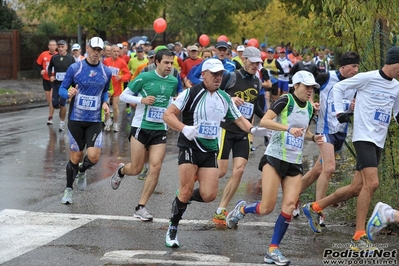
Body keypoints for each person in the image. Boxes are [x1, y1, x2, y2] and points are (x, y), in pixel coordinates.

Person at [302, 46, 399, 252]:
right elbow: (338, 88)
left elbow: (397, 113)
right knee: (372, 183)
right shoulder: (367, 78)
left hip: (378, 140)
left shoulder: (397, 87)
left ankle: (315, 207)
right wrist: (339, 112)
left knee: (356, 188)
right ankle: (358, 236)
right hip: (364, 137)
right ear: (393, 62)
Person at [162, 58, 263, 248]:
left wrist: (253, 130)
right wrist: (184, 128)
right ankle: (173, 228)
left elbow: (239, 119)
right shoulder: (190, 93)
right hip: (190, 146)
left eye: (220, 75)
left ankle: (181, 200)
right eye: (214, 74)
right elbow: (168, 115)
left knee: (208, 195)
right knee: (185, 188)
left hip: (210, 150)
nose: (218, 78)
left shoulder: (224, 97)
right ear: (204, 75)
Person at [226, 71, 323, 265]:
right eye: (307, 87)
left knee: (289, 204)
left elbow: (303, 131)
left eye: (312, 87)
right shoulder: (285, 100)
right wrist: (287, 128)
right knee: (267, 207)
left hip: (294, 162)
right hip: (275, 157)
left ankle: (273, 249)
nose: (310, 90)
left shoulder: (310, 109)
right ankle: (242, 210)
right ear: (296, 86)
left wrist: (313, 137)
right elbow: (265, 121)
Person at [109, 48, 178, 221]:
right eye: (166, 62)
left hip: (160, 129)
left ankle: (141, 207)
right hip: (141, 126)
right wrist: (142, 100)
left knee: (156, 166)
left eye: (171, 63)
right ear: (157, 62)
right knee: (136, 168)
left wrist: (173, 107)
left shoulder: (173, 81)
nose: (169, 66)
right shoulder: (144, 77)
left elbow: (170, 99)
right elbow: (124, 96)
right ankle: (122, 170)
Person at [292, 51, 360, 226]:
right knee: (329, 168)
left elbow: (351, 105)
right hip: (325, 129)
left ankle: (292, 196)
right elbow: (307, 87)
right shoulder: (326, 77)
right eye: (353, 66)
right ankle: (318, 209)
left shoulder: (356, 83)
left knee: (317, 171)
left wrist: (353, 107)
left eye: (357, 67)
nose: (355, 70)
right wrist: (311, 103)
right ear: (343, 66)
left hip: (340, 130)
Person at [213, 47, 265, 225]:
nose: (256, 66)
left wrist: (270, 119)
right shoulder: (231, 76)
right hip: (226, 129)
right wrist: (229, 98)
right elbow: (214, 92)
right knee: (220, 171)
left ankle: (221, 209)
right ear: (244, 59)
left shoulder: (258, 82)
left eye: (258, 63)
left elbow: (257, 108)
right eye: (253, 62)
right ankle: (196, 177)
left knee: (240, 170)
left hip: (243, 132)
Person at [58, 37, 112, 204]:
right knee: (76, 156)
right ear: (87, 48)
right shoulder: (75, 68)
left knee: (94, 156)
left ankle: (82, 171)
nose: (96, 53)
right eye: (93, 49)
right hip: (76, 118)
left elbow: (105, 91)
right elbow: (61, 88)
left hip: (95, 119)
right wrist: (67, 94)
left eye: (99, 50)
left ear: (102, 51)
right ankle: (68, 190)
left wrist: (105, 102)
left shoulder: (106, 72)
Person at [47, 40, 75, 131]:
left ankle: (62, 123)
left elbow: (75, 70)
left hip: (66, 85)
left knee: (62, 104)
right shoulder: (54, 58)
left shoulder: (70, 58)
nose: (61, 49)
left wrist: (73, 83)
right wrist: (51, 76)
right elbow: (50, 67)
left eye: (62, 47)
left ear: (66, 47)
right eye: (59, 47)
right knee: (55, 104)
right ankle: (62, 112)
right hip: (56, 84)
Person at [103, 44, 131, 132]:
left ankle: (115, 124)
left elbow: (128, 75)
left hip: (117, 88)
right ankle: (107, 122)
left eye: (117, 51)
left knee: (115, 107)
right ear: (110, 52)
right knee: (106, 106)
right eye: (114, 51)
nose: (116, 53)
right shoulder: (106, 61)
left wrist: (121, 78)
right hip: (107, 87)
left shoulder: (122, 62)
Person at [36, 39, 58, 125]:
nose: (52, 47)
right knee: (49, 99)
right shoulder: (43, 54)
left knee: (52, 98)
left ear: (56, 47)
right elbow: (37, 65)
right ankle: (54, 106)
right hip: (45, 79)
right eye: (51, 45)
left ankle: (50, 117)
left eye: (54, 45)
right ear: (48, 46)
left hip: (54, 80)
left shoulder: (58, 55)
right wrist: (40, 70)